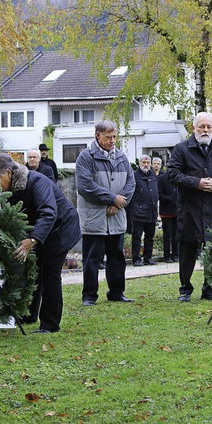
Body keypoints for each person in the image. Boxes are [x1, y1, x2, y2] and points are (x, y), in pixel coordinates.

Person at [0, 154, 81, 333]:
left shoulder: (37, 182)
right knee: (34, 272)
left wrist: (33, 240)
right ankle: (28, 314)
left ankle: (50, 324)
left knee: (50, 274)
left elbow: (49, 213)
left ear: (8, 173)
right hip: (42, 230)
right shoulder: (9, 189)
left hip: (61, 229)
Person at [166, 111, 212, 302]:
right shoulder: (181, 149)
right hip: (189, 209)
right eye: (201, 127)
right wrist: (196, 182)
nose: (205, 130)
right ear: (194, 128)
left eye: (208, 127)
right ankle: (185, 290)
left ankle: (209, 290)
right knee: (187, 251)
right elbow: (172, 174)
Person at [76, 120, 136, 306]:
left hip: (116, 217)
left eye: (114, 137)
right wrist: (112, 198)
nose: (112, 140)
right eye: (108, 137)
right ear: (97, 136)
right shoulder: (85, 157)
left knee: (117, 257)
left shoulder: (122, 157)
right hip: (94, 219)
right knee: (92, 259)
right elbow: (86, 187)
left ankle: (117, 292)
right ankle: (89, 296)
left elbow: (131, 184)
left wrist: (118, 204)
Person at [131, 155, 159, 266]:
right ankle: (136, 258)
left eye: (148, 162)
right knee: (137, 236)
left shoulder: (153, 175)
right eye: (144, 162)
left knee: (150, 236)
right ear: (139, 163)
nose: (146, 164)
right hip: (139, 212)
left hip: (152, 211)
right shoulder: (134, 176)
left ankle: (148, 258)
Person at [158, 165, 179, 263]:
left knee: (176, 234)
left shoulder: (178, 178)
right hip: (166, 211)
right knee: (167, 235)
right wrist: (168, 199)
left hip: (177, 211)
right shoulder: (162, 178)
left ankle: (176, 254)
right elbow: (159, 194)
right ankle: (167, 255)